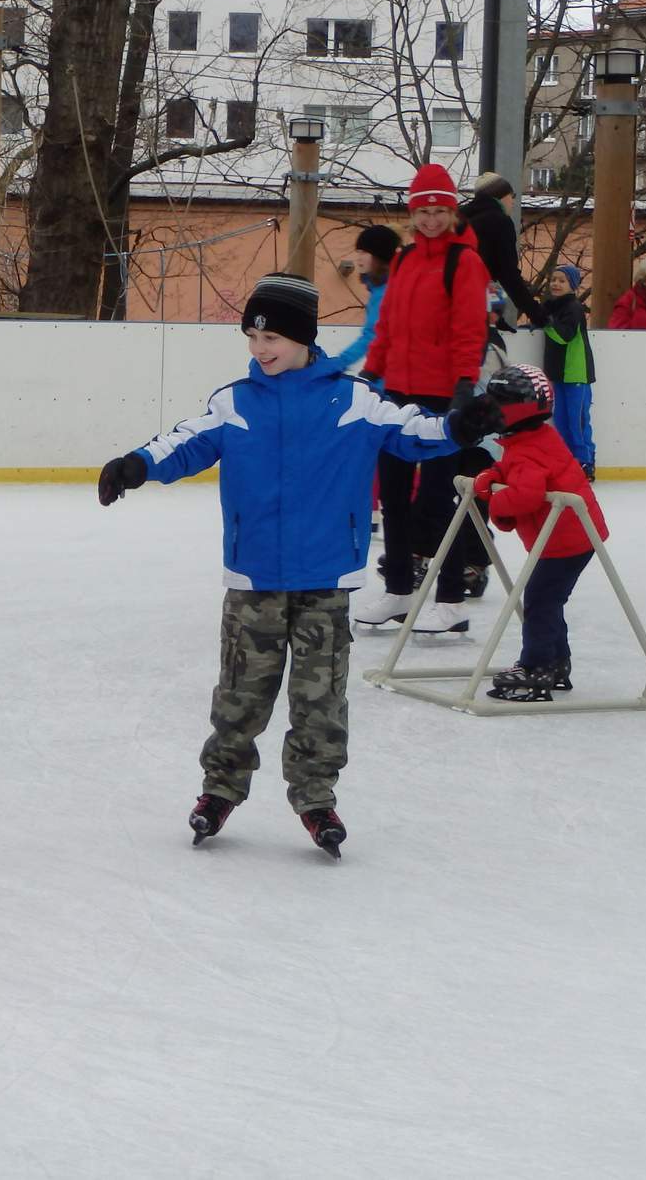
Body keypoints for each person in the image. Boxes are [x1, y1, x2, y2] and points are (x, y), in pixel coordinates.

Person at [95, 273, 500, 857]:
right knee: (240, 694)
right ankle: (220, 789)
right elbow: (184, 443)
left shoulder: (352, 398)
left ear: (305, 338)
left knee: (320, 700)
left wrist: (459, 426)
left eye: (272, 338)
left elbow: (413, 431)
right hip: (254, 576)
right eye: (252, 338)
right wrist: (134, 464)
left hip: (324, 578)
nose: (260, 349)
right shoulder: (234, 401)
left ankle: (316, 797)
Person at [351, 165, 493, 637]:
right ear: (412, 214)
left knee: (437, 497)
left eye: (439, 211)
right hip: (397, 392)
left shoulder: (464, 263)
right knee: (392, 494)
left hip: (440, 395)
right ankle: (399, 591)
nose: (431, 220)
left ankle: (451, 598)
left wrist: (462, 385)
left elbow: (470, 329)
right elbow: (388, 326)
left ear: (452, 213)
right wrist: (372, 372)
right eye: (423, 211)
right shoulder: (407, 261)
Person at [472, 365, 609, 702]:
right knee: (548, 600)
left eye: (495, 402)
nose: (489, 408)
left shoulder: (530, 450)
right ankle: (556, 661)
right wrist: (493, 473)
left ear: (515, 410)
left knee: (540, 601)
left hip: (565, 540)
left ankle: (537, 667)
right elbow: (514, 468)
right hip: (568, 536)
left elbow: (525, 495)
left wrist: (493, 500)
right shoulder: (532, 438)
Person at [458, 172, 547, 328]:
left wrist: (496, 318)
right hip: (473, 309)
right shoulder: (500, 222)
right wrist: (536, 313)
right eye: (511, 195)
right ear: (500, 196)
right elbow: (507, 274)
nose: (513, 201)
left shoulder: (460, 220)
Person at [542, 264, 597, 478]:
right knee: (561, 420)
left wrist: (544, 323)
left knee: (577, 420)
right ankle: (566, 461)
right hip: (558, 374)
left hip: (576, 374)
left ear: (572, 286)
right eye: (553, 279)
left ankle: (585, 462)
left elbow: (563, 335)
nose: (556, 284)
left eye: (562, 280)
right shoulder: (551, 306)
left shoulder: (574, 307)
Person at [322, 223, 398, 375]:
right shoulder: (379, 289)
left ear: (379, 256)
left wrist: (339, 362)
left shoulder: (386, 292)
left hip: (389, 375)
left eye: (365, 253)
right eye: (359, 252)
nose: (359, 259)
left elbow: (372, 336)